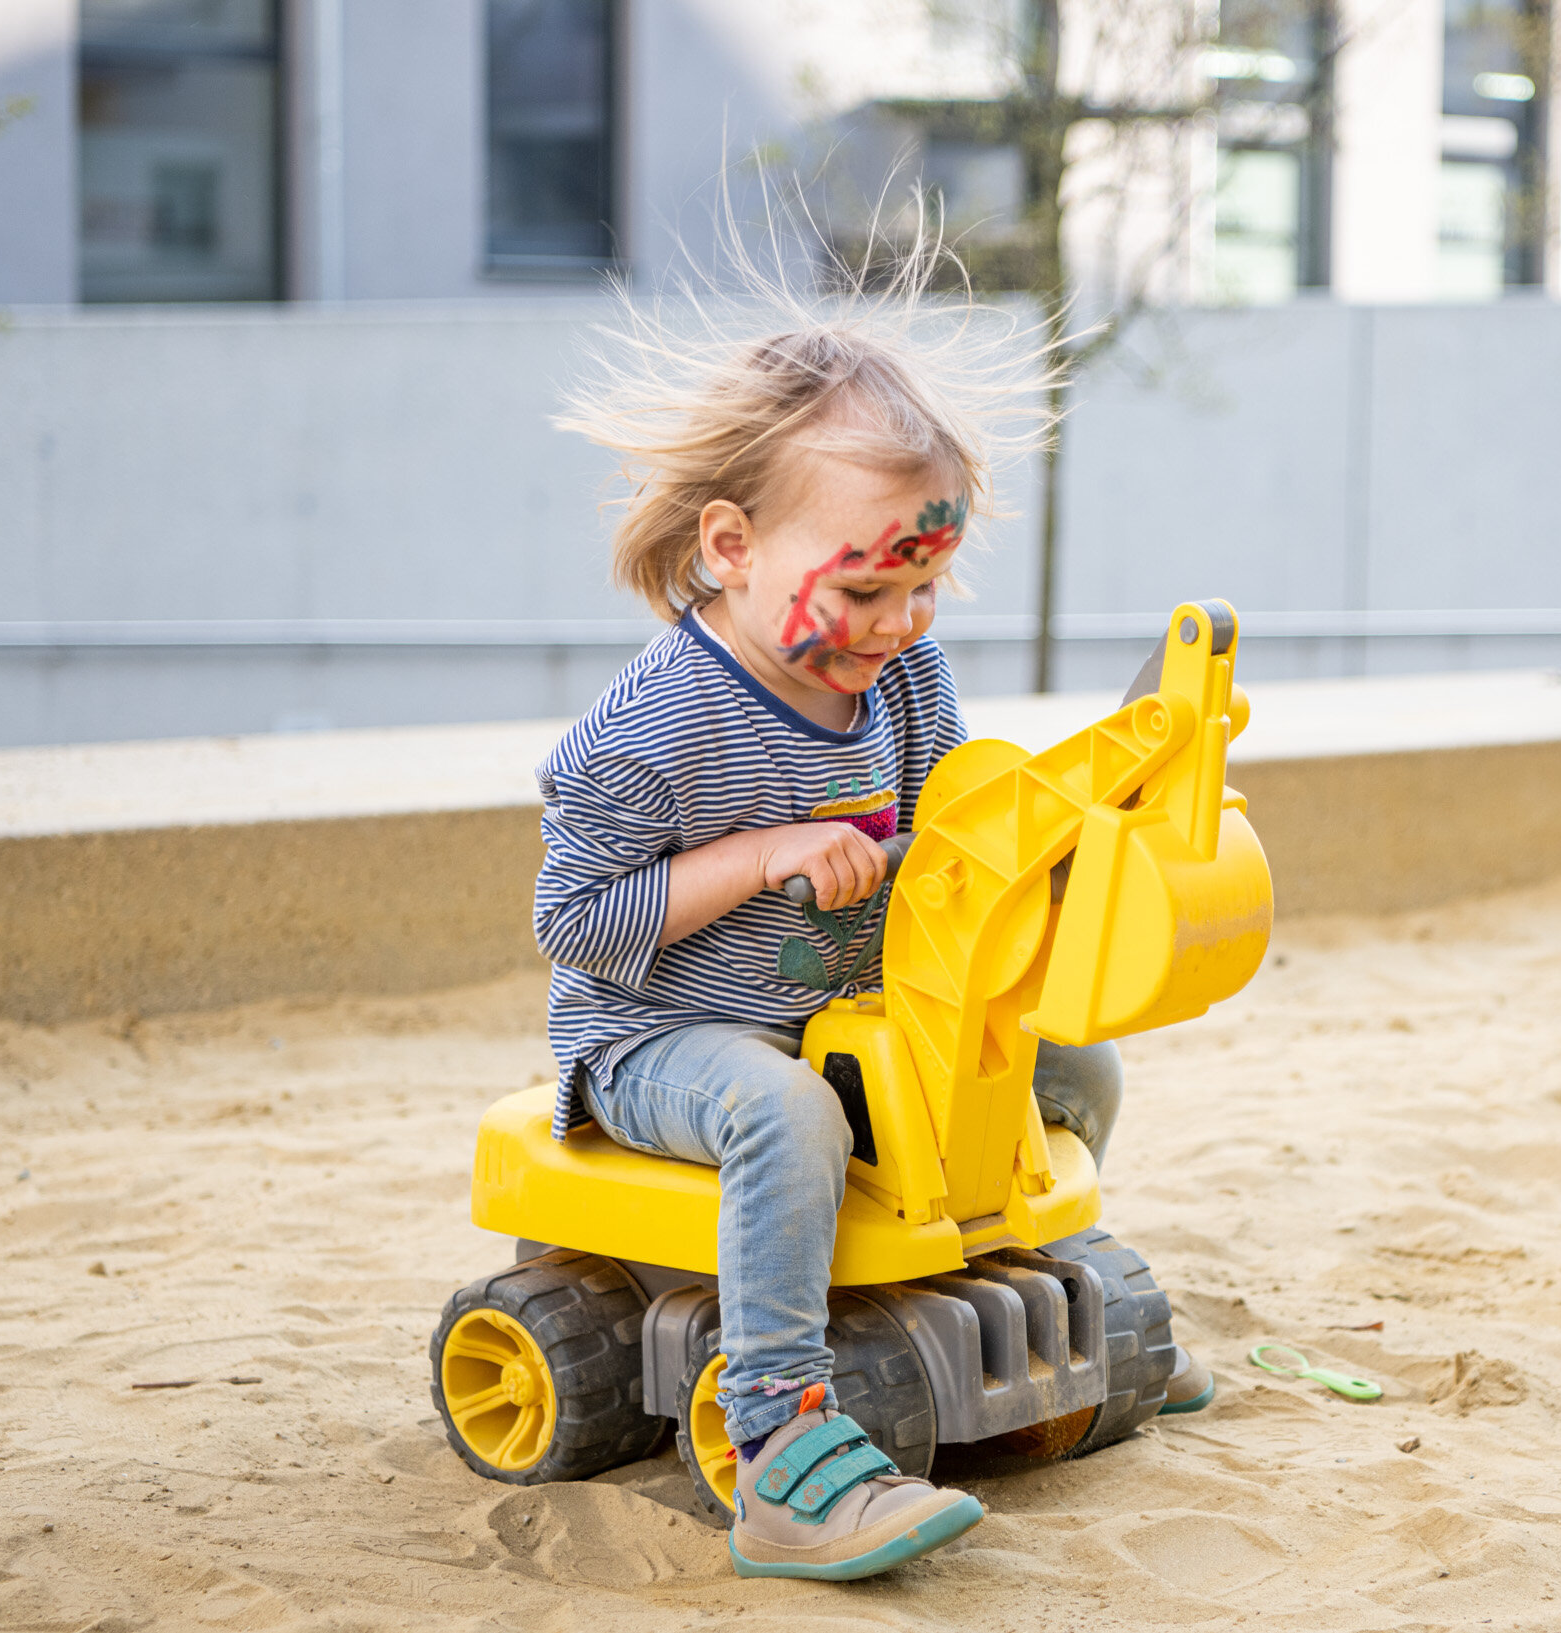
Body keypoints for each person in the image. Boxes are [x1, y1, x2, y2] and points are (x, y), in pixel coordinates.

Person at [531, 265, 1209, 1581]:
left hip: (853, 1001)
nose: (896, 626)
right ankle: (783, 1443)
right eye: (861, 595)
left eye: (925, 588)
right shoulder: (652, 730)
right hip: (669, 1034)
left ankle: (1055, 1302)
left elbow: (947, 837)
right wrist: (758, 854)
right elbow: (579, 925)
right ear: (731, 549)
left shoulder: (906, 677)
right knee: (785, 1112)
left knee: (1066, 1060)